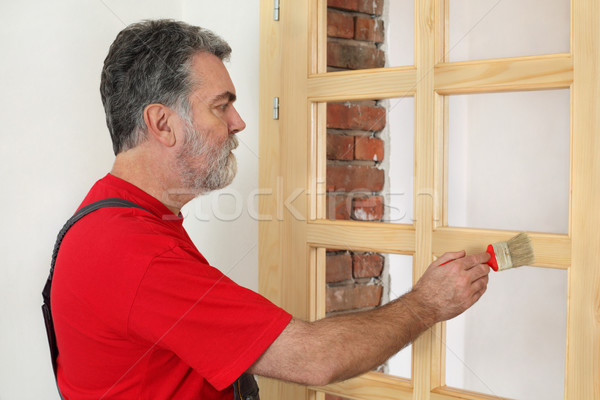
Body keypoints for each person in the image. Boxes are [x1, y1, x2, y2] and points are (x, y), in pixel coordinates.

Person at [51, 19, 490, 399]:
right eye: (221, 105)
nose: (238, 121)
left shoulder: (111, 217)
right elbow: (316, 358)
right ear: (162, 124)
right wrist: (428, 303)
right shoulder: (133, 251)